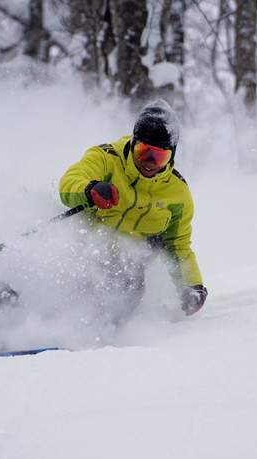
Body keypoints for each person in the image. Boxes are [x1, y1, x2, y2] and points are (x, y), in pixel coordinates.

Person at [58, 99, 207, 324]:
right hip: (82, 245)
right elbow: (69, 183)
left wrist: (192, 286)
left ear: (172, 155)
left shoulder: (177, 193)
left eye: (159, 156)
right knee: (56, 270)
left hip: (125, 264)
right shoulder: (107, 158)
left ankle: (92, 335)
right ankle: (3, 316)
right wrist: (90, 189)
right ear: (133, 142)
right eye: (143, 151)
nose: (149, 162)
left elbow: (178, 245)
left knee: (130, 290)